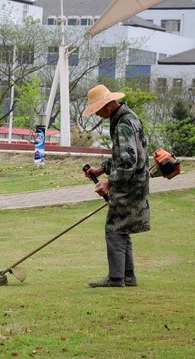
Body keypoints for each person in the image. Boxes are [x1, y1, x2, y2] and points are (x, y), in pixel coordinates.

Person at [82, 85, 150, 287]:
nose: (98, 114)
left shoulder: (123, 124)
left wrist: (109, 183)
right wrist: (101, 170)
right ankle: (127, 276)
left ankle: (116, 278)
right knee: (122, 228)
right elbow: (122, 156)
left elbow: (128, 162)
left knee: (114, 228)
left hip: (128, 185)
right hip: (135, 183)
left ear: (107, 104)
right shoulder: (127, 117)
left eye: (98, 109)